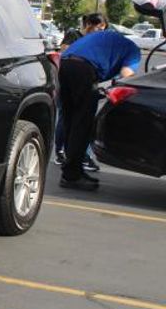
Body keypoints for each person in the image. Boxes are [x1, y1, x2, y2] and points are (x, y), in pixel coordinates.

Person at [58, 26, 141, 190]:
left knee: (70, 121)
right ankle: (72, 176)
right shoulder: (133, 52)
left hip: (64, 65)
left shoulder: (107, 38)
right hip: (84, 70)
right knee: (82, 124)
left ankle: (72, 170)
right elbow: (127, 75)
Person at [54, 13, 107, 170]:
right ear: (89, 24)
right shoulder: (74, 35)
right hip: (69, 81)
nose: (100, 32)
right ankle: (61, 151)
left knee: (83, 120)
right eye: (99, 28)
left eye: (103, 29)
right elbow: (65, 52)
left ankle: (81, 155)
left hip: (87, 83)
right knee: (66, 117)